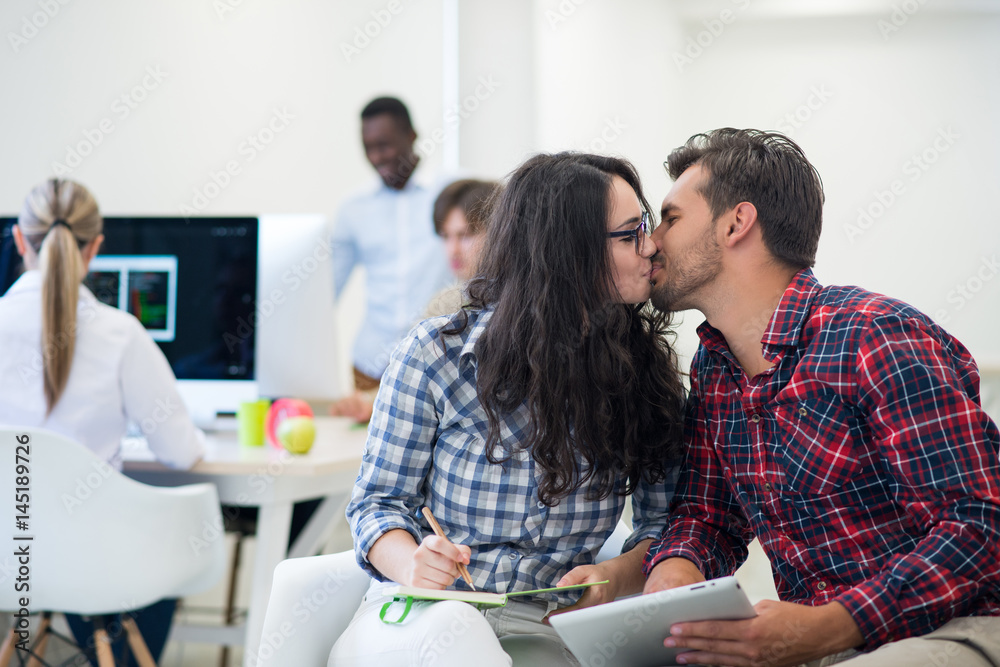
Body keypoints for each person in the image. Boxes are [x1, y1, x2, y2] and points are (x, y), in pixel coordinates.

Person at [642, 128, 1000, 667]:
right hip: (817, 651)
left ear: (736, 223)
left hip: (956, 629)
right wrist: (676, 571)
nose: (651, 242)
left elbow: (981, 526)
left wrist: (833, 624)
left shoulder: (876, 335)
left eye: (670, 218)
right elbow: (707, 516)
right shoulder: (715, 369)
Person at [328, 152, 687, 666]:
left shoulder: (645, 377)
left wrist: (614, 576)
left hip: (542, 628)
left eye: (644, 227)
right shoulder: (434, 354)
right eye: (631, 233)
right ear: (573, 252)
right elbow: (376, 504)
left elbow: (664, 528)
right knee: (458, 639)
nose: (650, 246)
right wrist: (412, 563)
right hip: (422, 614)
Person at [0, 179, 205, 666]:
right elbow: (181, 452)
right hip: (93, 565)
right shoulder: (121, 334)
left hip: (8, 561)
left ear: (20, 240)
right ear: (95, 248)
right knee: (157, 539)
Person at [330, 96, 452, 420]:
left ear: (411, 135)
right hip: (371, 366)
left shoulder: (451, 194)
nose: (376, 156)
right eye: (368, 147)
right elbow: (326, 290)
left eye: (384, 145)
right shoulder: (353, 210)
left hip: (438, 361)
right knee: (372, 463)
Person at [424, 178, 497, 318]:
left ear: (498, 234)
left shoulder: (519, 302)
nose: (453, 250)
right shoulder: (441, 308)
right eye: (445, 236)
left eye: (465, 235)